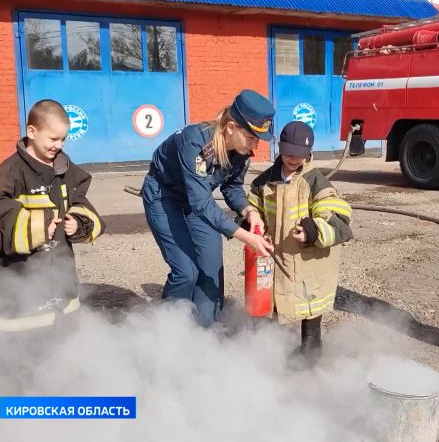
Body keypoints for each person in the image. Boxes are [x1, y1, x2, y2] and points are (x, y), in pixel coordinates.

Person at [0, 99, 105, 373]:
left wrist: (80, 223)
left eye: (63, 139)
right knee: (25, 347)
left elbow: (81, 201)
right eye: (53, 138)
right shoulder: (10, 172)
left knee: (61, 342)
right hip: (21, 276)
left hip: (56, 272)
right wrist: (37, 225)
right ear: (32, 132)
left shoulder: (66, 170)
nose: (58, 145)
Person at [142, 89, 274, 327]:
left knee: (211, 266)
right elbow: (201, 202)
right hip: (164, 197)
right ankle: (170, 330)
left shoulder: (241, 153)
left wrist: (249, 211)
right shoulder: (195, 142)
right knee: (186, 271)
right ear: (231, 127)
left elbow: (232, 188)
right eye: (252, 137)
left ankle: (207, 331)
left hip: (196, 202)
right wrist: (246, 237)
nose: (256, 145)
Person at [247, 121, 353, 367]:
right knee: (271, 300)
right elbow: (253, 207)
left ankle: (311, 349)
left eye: (300, 155)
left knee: (309, 304)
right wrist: (252, 222)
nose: (293, 159)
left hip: (307, 258)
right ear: (279, 149)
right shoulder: (265, 181)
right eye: (288, 153)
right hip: (275, 255)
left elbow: (336, 215)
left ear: (309, 154)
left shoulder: (316, 181)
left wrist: (313, 230)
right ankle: (268, 349)